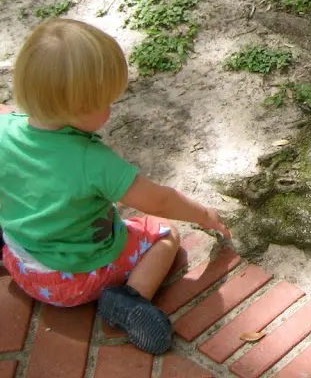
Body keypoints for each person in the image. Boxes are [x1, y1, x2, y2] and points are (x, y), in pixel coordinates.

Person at [0, 19, 230, 355]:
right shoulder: (92, 162)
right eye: (105, 103)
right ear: (79, 108)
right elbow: (159, 201)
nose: (110, 109)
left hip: (19, 260)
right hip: (72, 282)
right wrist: (203, 214)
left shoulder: (4, 128)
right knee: (163, 234)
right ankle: (130, 300)